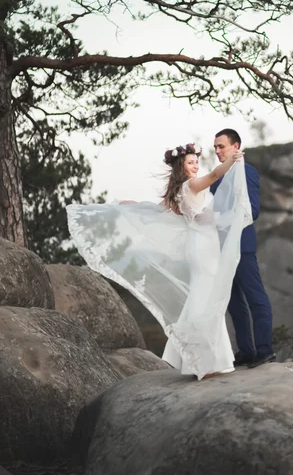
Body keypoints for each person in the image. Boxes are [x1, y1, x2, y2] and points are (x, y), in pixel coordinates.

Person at [66, 142, 252, 380]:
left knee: (203, 298)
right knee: (204, 300)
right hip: (203, 250)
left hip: (204, 247)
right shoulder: (192, 185)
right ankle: (200, 358)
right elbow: (215, 174)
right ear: (181, 167)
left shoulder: (182, 190)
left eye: (196, 162)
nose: (195, 166)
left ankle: (199, 358)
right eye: (190, 162)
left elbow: (159, 211)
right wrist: (232, 159)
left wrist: (133, 206)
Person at [211, 129, 275, 368]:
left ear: (236, 147)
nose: (217, 151)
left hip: (242, 246)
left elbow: (254, 210)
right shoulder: (215, 179)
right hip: (220, 249)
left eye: (221, 146)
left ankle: (265, 350)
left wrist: (223, 219)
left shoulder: (247, 172)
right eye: (215, 148)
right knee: (234, 304)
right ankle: (246, 351)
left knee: (256, 298)